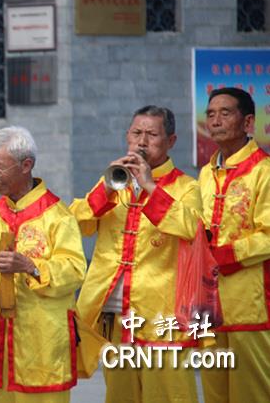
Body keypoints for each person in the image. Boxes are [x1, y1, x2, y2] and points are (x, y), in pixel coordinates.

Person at [70, 106, 202, 403]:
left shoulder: (187, 187)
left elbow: (190, 228)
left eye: (152, 135)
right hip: (115, 315)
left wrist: (150, 187)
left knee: (169, 395)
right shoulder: (115, 181)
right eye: (136, 134)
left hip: (162, 313)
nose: (142, 142)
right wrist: (105, 189)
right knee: (121, 395)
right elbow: (76, 222)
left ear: (171, 141)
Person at [0, 126, 86, 403]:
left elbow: (75, 270)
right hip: (0, 339)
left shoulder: (57, 216)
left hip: (43, 341)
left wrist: (31, 266)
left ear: (26, 165)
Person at [198, 87, 270, 402]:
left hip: (250, 302)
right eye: (211, 114)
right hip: (207, 303)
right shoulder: (205, 174)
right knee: (214, 392)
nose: (215, 120)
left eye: (225, 113)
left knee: (250, 392)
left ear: (248, 122)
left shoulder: (263, 171)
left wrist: (224, 256)